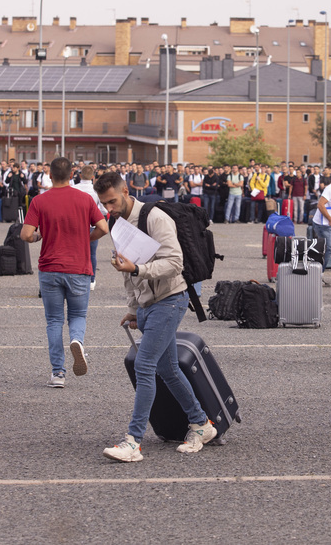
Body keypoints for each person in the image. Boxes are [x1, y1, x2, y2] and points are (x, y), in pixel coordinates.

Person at [94, 171, 217, 462]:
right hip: (149, 305)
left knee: (144, 365)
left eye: (112, 201)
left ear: (126, 190)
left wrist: (137, 270)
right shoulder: (116, 222)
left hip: (171, 300)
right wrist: (135, 308)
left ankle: (133, 442)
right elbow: (126, 271)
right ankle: (201, 424)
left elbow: (175, 263)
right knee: (169, 370)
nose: (108, 209)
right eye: (104, 204)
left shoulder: (155, 218)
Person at [20, 159, 108, 387]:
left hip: (50, 268)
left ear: (49, 175)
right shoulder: (85, 199)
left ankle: (58, 373)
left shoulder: (40, 201)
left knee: (54, 321)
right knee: (78, 316)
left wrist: (39, 236)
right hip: (78, 267)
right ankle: (77, 340)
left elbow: (26, 234)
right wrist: (85, 238)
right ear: (72, 174)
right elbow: (104, 227)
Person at [72, 164, 108, 291]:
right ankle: (91, 279)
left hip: (75, 225)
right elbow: (103, 210)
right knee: (92, 253)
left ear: (80, 175)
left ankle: (77, 276)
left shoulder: (73, 188)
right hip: (92, 225)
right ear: (93, 176)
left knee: (76, 253)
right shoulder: (95, 191)